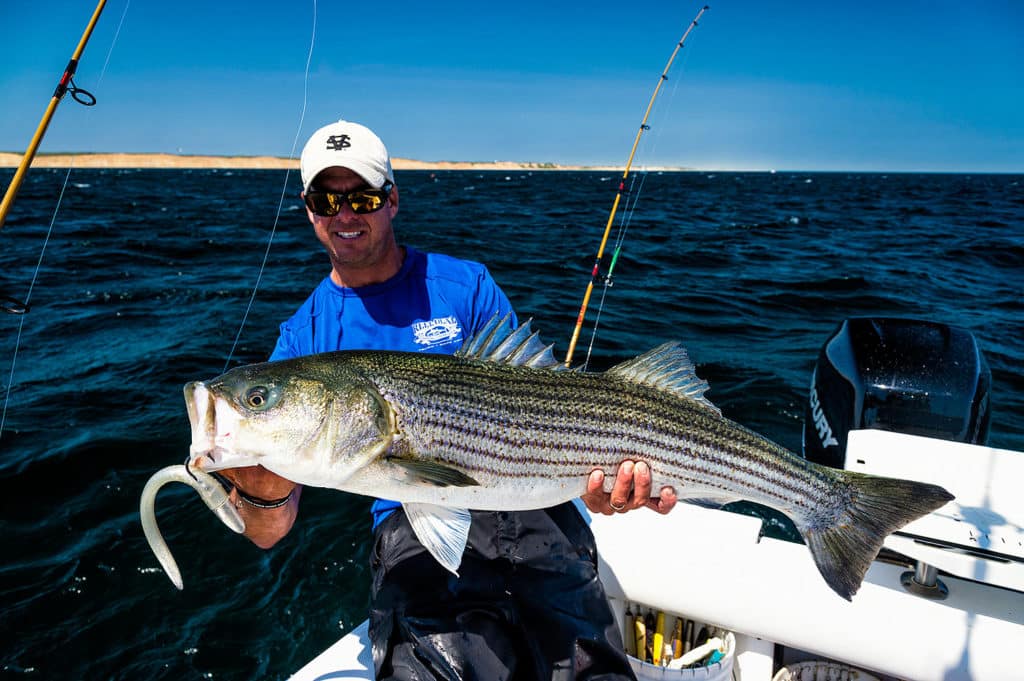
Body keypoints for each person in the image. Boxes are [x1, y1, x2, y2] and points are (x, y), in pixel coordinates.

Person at [216, 119, 678, 680]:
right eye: (325, 198)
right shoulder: (302, 339)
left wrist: (603, 488)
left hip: (539, 507)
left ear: (391, 201)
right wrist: (255, 487)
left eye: (361, 196)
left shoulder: (465, 285)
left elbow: (542, 394)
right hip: (411, 532)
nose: (344, 214)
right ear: (309, 209)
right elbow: (270, 532)